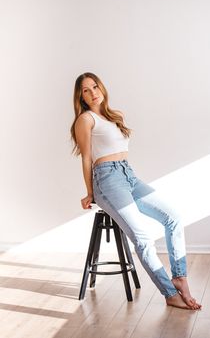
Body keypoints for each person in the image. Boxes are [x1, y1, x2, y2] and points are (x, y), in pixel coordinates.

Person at [70, 72, 202, 310]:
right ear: (80, 97)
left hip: (128, 175)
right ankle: (169, 292)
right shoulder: (86, 120)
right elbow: (87, 157)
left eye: (95, 86)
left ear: (102, 87)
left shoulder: (114, 116)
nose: (92, 93)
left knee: (173, 217)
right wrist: (90, 192)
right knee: (142, 238)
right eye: (86, 90)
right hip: (107, 179)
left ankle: (179, 277)